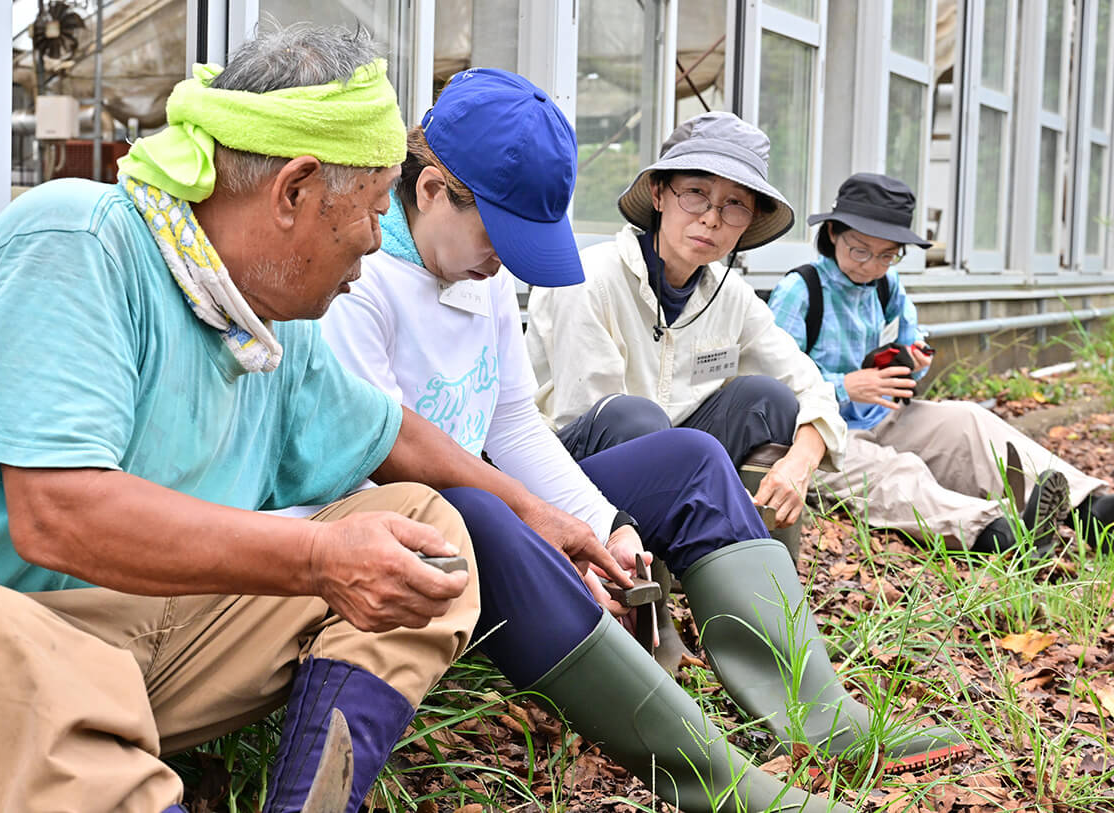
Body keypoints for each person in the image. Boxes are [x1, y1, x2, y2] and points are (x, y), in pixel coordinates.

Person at [0, 25, 626, 813]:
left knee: (429, 530)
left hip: (122, 645)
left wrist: (535, 512)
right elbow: (58, 515)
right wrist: (317, 555)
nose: (365, 265)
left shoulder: (271, 327)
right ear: (295, 190)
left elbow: (395, 438)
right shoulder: (77, 243)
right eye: (363, 225)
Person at [318, 68, 966, 809]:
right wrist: (549, 521)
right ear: (432, 189)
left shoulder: (480, 267)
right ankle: (721, 785)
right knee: (491, 513)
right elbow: (387, 444)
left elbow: (512, 421)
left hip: (486, 494)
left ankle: (817, 712)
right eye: (501, 236)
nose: (505, 261)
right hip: (409, 521)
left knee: (693, 458)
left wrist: (606, 525)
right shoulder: (356, 277)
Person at [525, 112, 847, 549]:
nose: (712, 219)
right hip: (573, 477)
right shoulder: (587, 279)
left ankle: (761, 581)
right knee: (633, 418)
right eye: (696, 194)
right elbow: (591, 418)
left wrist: (801, 462)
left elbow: (813, 388)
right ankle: (638, 586)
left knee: (767, 400)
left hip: (677, 472)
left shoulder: (730, 296)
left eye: (735, 205)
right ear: (659, 194)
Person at [767, 172, 1113, 553]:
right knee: (893, 472)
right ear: (832, 232)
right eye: (860, 250)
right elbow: (772, 386)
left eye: (887, 255)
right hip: (816, 436)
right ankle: (998, 535)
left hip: (883, 416)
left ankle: (1090, 510)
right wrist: (844, 386)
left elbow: (914, 340)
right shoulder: (799, 291)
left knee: (969, 420)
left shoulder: (887, 284)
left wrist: (915, 359)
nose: (871, 266)